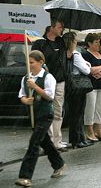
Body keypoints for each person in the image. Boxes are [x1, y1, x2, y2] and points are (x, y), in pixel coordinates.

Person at [15, 50, 67, 187]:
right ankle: (59, 164)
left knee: (34, 143)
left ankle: (25, 176)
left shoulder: (48, 77)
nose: (29, 65)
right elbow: (21, 95)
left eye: (32, 62)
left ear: (41, 62)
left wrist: (35, 87)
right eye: (28, 62)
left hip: (45, 115)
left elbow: (49, 96)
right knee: (46, 143)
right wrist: (26, 101)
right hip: (33, 116)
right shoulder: (26, 78)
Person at [31, 19, 67, 151]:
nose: (61, 29)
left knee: (58, 111)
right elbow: (34, 61)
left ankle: (58, 141)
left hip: (60, 80)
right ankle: (50, 143)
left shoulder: (60, 41)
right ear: (51, 27)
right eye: (59, 27)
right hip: (46, 81)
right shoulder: (40, 43)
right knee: (47, 111)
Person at [63, 32, 92, 149]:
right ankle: (79, 139)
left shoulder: (64, 54)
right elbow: (86, 70)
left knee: (73, 113)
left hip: (69, 85)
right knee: (79, 113)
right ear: (72, 42)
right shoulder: (75, 54)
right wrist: (87, 64)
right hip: (78, 86)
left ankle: (76, 138)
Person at [82, 33, 101, 142]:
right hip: (91, 86)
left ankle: (99, 130)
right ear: (89, 43)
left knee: (100, 109)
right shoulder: (85, 55)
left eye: (98, 42)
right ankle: (89, 132)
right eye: (95, 42)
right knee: (90, 108)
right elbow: (90, 70)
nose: (98, 44)